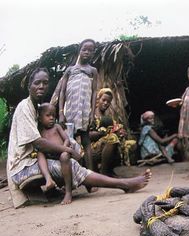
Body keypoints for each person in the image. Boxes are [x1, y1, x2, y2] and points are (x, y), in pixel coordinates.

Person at [7, 68, 151, 208]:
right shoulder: (24, 107)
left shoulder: (37, 107)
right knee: (71, 164)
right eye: (37, 83)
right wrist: (66, 150)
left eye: (45, 83)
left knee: (73, 147)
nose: (41, 86)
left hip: (33, 161)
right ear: (29, 85)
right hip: (23, 168)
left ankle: (90, 182)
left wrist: (68, 149)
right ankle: (124, 184)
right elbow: (39, 144)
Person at [58, 39, 97, 172]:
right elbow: (62, 92)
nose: (87, 52)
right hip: (71, 112)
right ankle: (73, 175)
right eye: (84, 49)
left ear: (93, 53)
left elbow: (94, 92)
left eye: (90, 50)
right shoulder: (70, 70)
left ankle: (91, 175)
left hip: (84, 111)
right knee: (69, 141)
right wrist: (61, 112)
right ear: (79, 50)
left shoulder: (93, 71)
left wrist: (92, 113)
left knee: (86, 142)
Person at [37, 103, 81, 204]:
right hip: (50, 156)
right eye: (48, 115)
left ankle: (68, 192)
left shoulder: (57, 127)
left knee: (65, 156)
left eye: (53, 115)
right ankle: (49, 182)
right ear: (40, 118)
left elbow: (66, 139)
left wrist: (65, 148)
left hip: (62, 153)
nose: (52, 118)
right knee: (40, 153)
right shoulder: (39, 132)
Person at [90, 88, 136, 176]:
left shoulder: (108, 118)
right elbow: (88, 136)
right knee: (112, 138)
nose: (106, 103)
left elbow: (115, 129)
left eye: (108, 101)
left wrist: (121, 132)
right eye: (103, 100)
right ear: (98, 99)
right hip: (91, 148)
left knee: (123, 142)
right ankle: (104, 173)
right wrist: (104, 134)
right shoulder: (92, 115)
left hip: (105, 145)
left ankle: (108, 170)